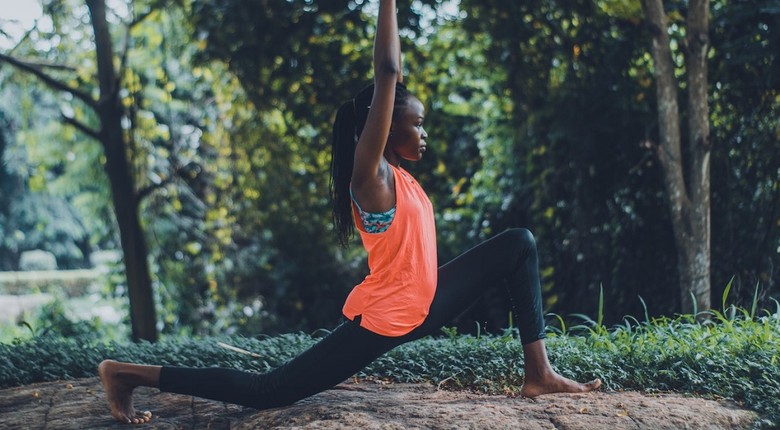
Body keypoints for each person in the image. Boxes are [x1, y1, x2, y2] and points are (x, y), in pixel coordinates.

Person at [98, 0, 601, 424]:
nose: (423, 133)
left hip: (425, 302)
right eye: (417, 124)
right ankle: (128, 374)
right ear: (385, 129)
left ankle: (539, 374)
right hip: (389, 319)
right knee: (269, 390)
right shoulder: (372, 177)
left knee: (519, 244)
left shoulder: (400, 176)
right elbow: (387, 72)